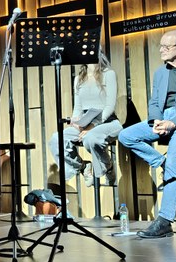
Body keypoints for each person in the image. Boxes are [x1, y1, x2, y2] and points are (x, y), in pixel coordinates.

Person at [118, 29, 176, 238]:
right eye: (160, 46)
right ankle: (160, 162)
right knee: (126, 136)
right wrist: (156, 121)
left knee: (174, 161)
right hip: (165, 118)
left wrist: (174, 123)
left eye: (166, 47)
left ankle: (164, 221)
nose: (161, 50)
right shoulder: (160, 72)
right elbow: (154, 102)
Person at [49, 51, 122, 187]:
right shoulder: (79, 79)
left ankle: (107, 167)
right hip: (86, 121)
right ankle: (82, 166)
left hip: (107, 121)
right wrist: (76, 121)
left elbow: (110, 106)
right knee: (56, 139)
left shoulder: (109, 74)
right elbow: (78, 107)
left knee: (90, 138)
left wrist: (92, 125)